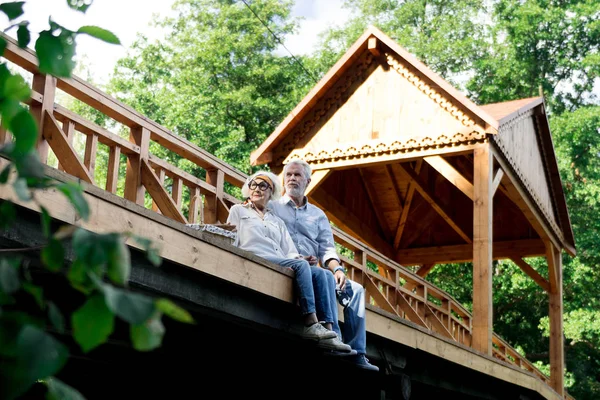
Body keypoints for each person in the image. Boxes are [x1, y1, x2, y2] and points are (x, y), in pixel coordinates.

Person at [271, 159, 379, 372]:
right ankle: (335, 338)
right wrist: (295, 256)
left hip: (315, 267)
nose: (292, 179)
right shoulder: (273, 207)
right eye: (289, 175)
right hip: (291, 265)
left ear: (308, 181)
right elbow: (268, 236)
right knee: (325, 277)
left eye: (297, 175)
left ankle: (357, 353)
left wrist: (337, 269)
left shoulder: (318, 215)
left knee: (355, 290)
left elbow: (327, 249)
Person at [227, 171, 351, 353]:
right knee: (301, 266)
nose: (257, 189)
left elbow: (290, 252)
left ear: (271, 192)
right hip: (255, 257)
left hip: (279, 260)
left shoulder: (276, 220)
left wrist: (302, 259)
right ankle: (310, 322)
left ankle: (330, 332)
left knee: (323, 273)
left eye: (263, 186)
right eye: (253, 185)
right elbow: (231, 238)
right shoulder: (238, 210)